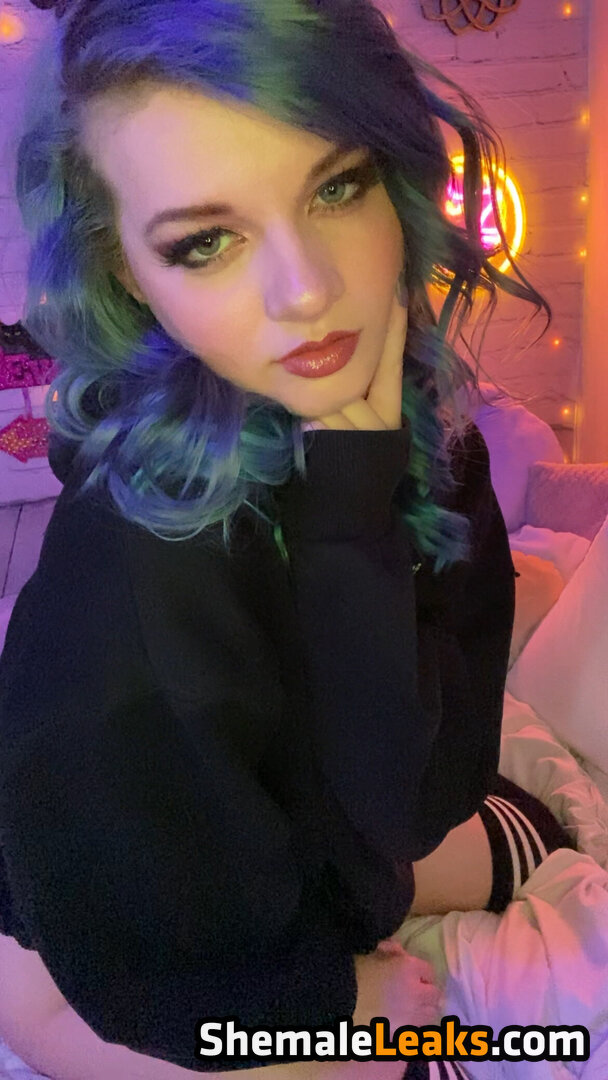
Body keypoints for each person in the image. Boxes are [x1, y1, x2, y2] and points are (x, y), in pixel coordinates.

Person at [0, 0, 575, 1077]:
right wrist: (325, 1001)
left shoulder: (424, 432)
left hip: (315, 835)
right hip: (123, 927)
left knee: (519, 836)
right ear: (125, 271)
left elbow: (416, 794)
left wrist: (356, 506)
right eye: (206, 241)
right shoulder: (133, 555)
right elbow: (141, 952)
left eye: (336, 186)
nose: (306, 292)